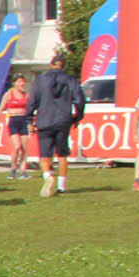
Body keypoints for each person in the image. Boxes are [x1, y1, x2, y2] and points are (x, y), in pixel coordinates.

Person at [23, 52, 85, 197]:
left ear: (51, 65)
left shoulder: (40, 80)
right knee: (62, 154)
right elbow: (80, 100)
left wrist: (29, 119)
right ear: (63, 66)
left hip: (44, 119)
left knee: (44, 155)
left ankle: (48, 176)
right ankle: (61, 187)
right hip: (63, 120)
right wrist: (77, 117)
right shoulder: (70, 80)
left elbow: (32, 101)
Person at [0, 73, 32, 178]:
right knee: (17, 146)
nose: (22, 84)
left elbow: (30, 109)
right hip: (13, 121)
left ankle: (23, 170)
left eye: (23, 81)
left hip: (23, 121)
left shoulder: (26, 95)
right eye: (19, 81)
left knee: (24, 148)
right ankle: (13, 167)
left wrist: (31, 122)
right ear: (14, 83)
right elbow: (0, 108)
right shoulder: (9, 94)